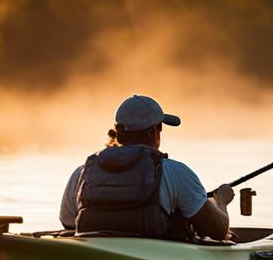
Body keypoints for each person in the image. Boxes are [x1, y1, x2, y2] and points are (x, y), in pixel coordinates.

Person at [59, 95, 234, 240]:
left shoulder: (82, 172)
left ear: (118, 133)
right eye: (160, 128)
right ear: (153, 132)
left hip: (96, 256)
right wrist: (221, 201)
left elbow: (69, 224)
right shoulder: (176, 173)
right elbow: (218, 231)